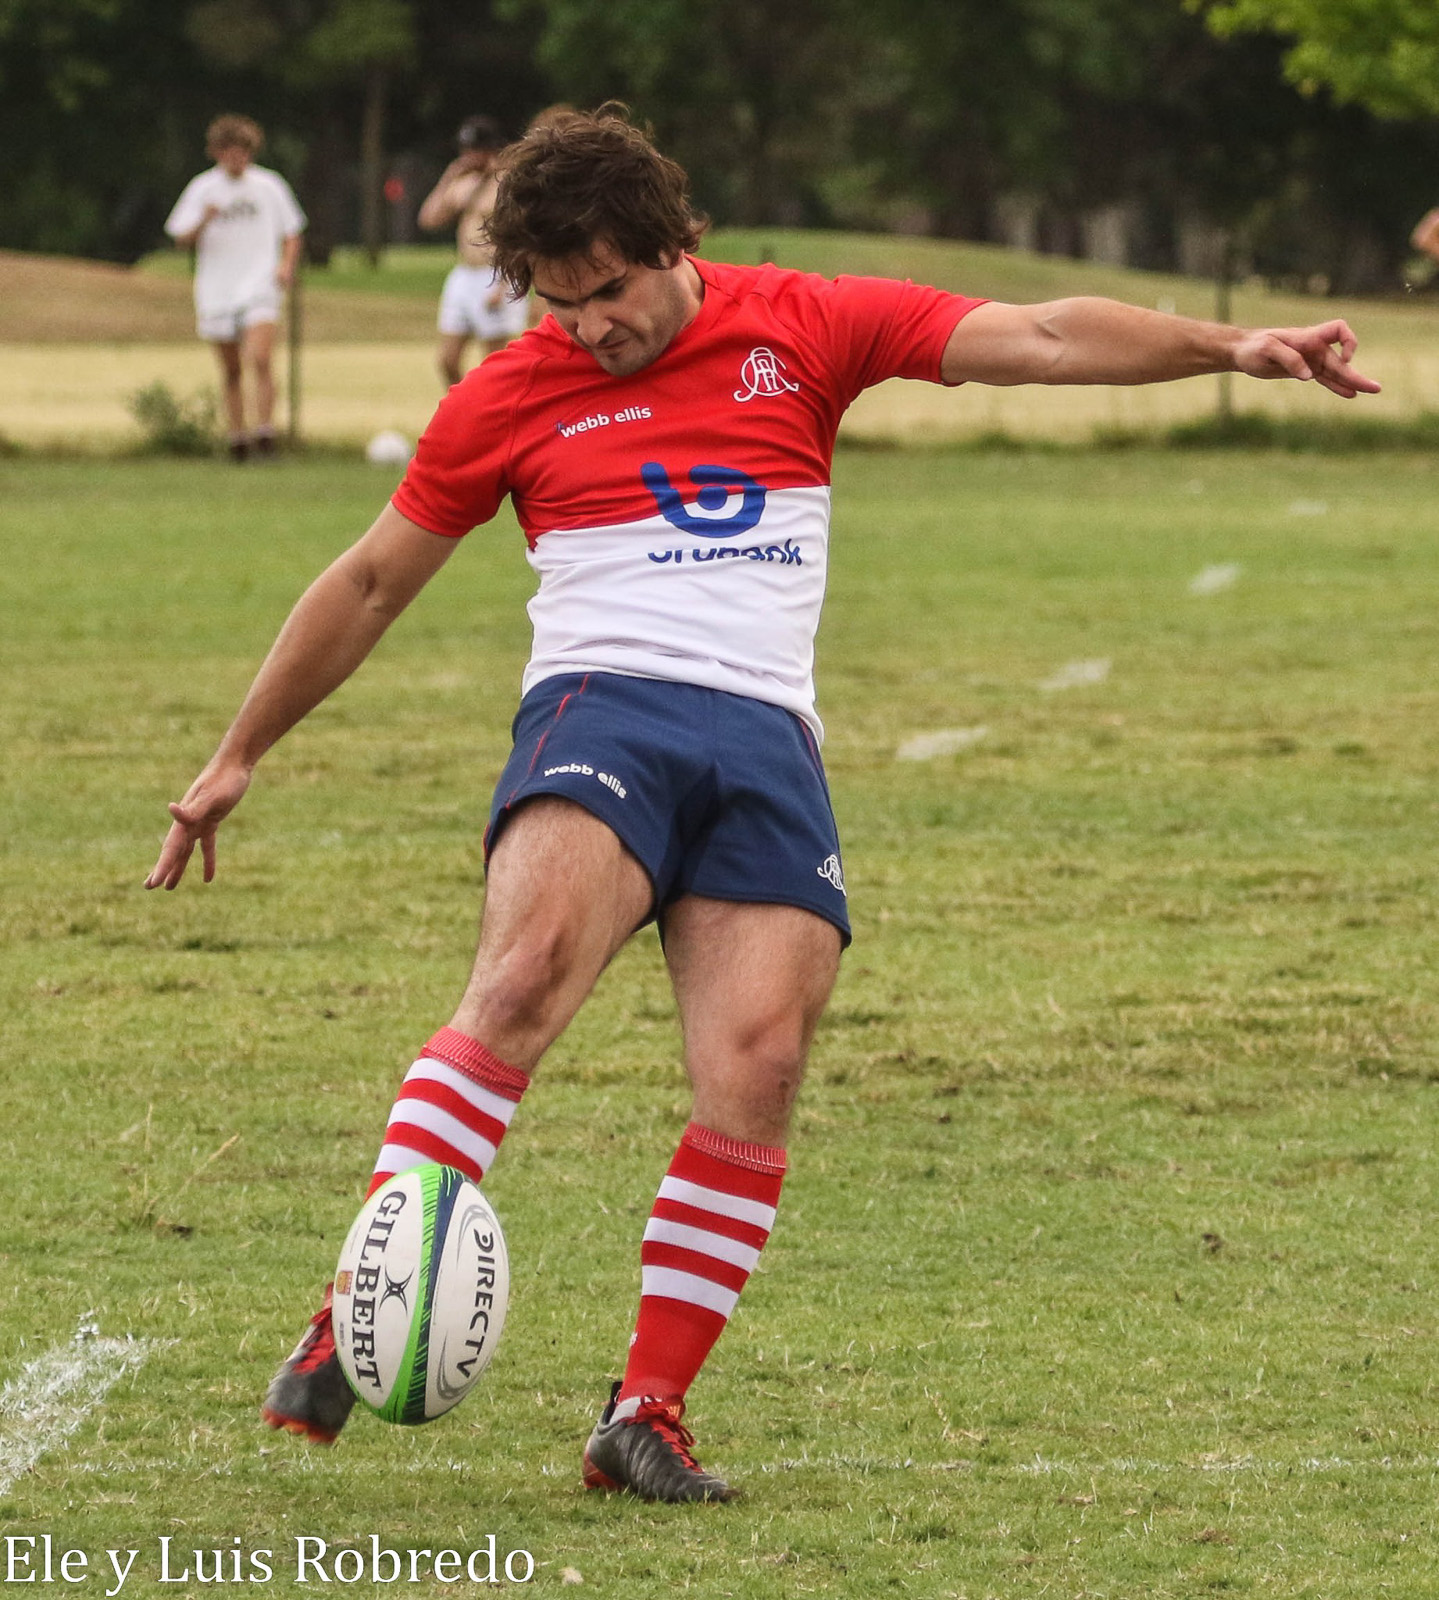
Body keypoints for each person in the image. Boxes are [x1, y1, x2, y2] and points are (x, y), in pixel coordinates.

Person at [146, 106, 1378, 1504]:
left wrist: (1231, 345)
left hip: (765, 742)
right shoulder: (512, 389)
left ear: (678, 244)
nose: (591, 326)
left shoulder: (805, 321)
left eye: (611, 290)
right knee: (525, 978)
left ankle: (645, 1415)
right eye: (561, 303)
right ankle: (368, 1290)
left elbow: (1033, 337)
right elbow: (369, 580)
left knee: (759, 1066)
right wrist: (239, 751)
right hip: (602, 705)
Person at [164, 115, 306, 463]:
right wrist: (204, 219)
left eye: (242, 150)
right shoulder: (202, 189)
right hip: (217, 288)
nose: (236, 158)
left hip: (260, 282)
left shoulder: (269, 186)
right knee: (230, 369)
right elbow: (180, 237)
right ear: (216, 152)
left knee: (259, 357)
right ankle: (237, 436)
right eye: (229, 151)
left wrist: (286, 266)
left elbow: (292, 230)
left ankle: (265, 432)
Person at [418, 115, 530, 385]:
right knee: (447, 360)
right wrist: (449, 178)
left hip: (496, 274)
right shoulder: (465, 183)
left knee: (496, 364)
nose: (468, 156)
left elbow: (518, 238)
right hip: (464, 275)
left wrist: (503, 285)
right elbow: (428, 219)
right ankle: (462, 413)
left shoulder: (506, 185)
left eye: (474, 151)